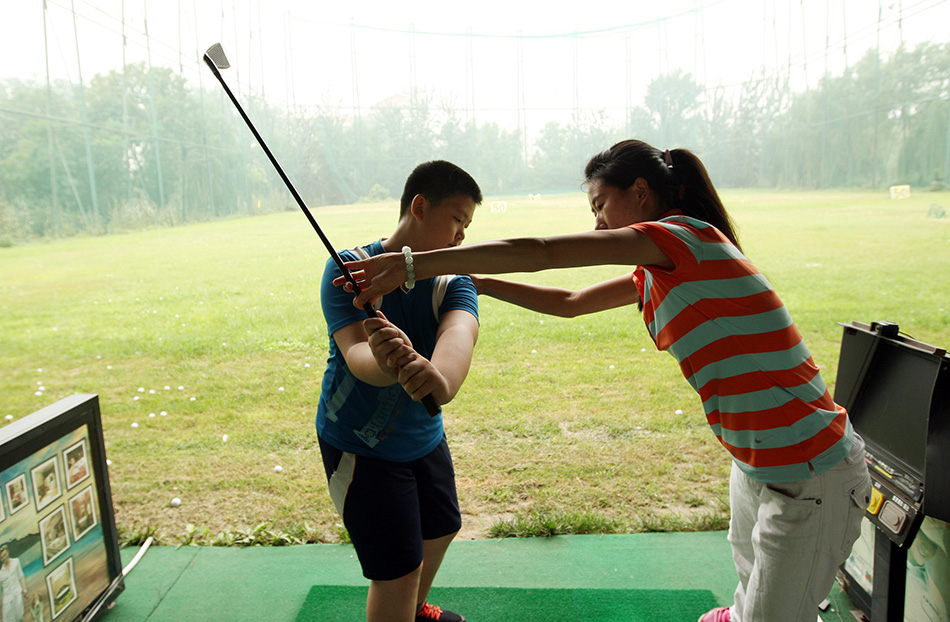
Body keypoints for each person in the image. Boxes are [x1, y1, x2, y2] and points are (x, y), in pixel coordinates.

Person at [336, 140, 872, 622]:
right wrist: (480, 282)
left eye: (599, 206)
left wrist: (414, 266)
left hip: (813, 472)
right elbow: (571, 304)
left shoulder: (686, 240)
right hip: (758, 466)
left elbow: (543, 253)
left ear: (640, 192)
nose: (597, 224)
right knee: (750, 601)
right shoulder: (658, 270)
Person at [317, 160, 482, 622]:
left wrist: (439, 378)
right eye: (456, 219)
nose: (461, 237)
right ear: (420, 206)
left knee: (440, 530)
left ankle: (410, 611)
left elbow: (459, 335)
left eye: (467, 226)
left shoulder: (455, 280)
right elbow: (357, 357)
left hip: (422, 436)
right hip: (360, 445)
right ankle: (400, 605)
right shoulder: (351, 269)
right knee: (398, 569)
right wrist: (390, 363)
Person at [1, 544, 29, 622]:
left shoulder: (16, 561)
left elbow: (21, 576)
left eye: (5, 555)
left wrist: (24, 590)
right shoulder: (1, 572)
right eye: (1, 557)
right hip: (7, 599)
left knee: (19, 617)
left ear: (8, 553)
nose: (4, 558)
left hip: (17, 594)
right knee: (7, 620)